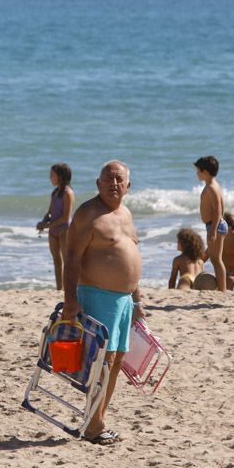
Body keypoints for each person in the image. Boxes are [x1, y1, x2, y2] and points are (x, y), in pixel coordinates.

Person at [62, 161, 145, 446]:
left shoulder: (126, 213)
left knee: (117, 360)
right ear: (97, 183)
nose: (114, 184)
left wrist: (137, 299)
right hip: (97, 295)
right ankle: (94, 424)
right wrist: (70, 299)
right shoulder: (88, 214)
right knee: (102, 362)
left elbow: (132, 251)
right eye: (108, 179)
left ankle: (98, 418)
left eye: (119, 179)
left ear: (128, 186)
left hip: (123, 300)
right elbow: (71, 257)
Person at [36, 163, 75, 290]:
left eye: (52, 175)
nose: (50, 178)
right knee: (56, 261)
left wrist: (47, 225)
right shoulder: (55, 192)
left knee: (66, 261)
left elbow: (65, 217)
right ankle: (59, 288)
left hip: (64, 230)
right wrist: (43, 222)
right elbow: (50, 212)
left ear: (61, 177)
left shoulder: (68, 193)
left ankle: (68, 288)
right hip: (53, 231)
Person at [194, 156, 227, 292]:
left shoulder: (211, 188)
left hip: (215, 226)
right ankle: (221, 288)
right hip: (215, 225)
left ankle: (222, 290)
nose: (197, 173)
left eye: (198, 171)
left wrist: (213, 229)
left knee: (216, 260)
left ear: (205, 172)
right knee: (214, 258)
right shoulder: (213, 185)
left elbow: (218, 208)